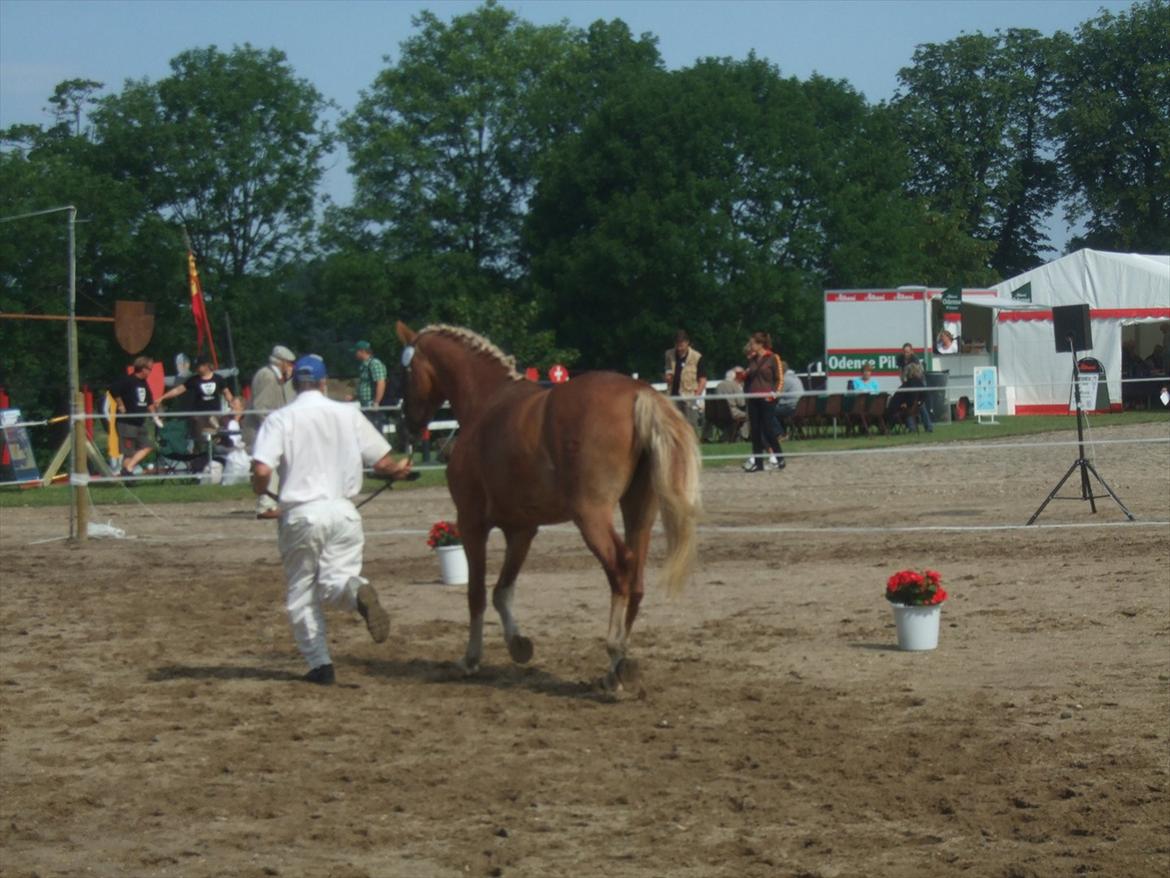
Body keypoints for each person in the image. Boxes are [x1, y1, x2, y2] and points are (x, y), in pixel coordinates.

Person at [251, 354, 414, 685]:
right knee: (337, 581)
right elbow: (383, 462)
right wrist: (398, 470)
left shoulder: (280, 419)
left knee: (303, 591)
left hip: (300, 513)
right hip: (343, 511)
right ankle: (357, 592)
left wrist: (261, 490)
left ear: (293, 383)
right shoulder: (347, 414)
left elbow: (262, 469)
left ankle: (320, 664)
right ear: (324, 383)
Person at [246, 344, 297, 518]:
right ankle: (265, 506)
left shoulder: (277, 377)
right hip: (263, 431)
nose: (292, 367)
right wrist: (275, 429)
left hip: (271, 430)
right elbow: (261, 407)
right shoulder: (267, 376)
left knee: (280, 466)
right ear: (281, 362)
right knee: (269, 466)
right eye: (289, 363)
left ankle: (275, 502)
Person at [157, 355, 235, 451]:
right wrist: (163, 397)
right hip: (200, 415)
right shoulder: (194, 380)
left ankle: (221, 446)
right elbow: (178, 390)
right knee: (201, 436)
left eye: (199, 366)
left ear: (206, 366)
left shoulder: (218, 379)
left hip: (215, 413)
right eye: (196, 366)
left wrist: (232, 402)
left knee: (224, 426)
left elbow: (226, 392)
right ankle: (200, 451)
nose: (197, 369)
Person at [109, 355, 158, 477]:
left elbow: (149, 402)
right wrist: (121, 404)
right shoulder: (128, 380)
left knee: (148, 446)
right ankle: (128, 477)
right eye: (150, 369)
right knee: (128, 453)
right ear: (143, 369)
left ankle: (128, 469)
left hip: (140, 422)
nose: (150, 372)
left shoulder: (144, 384)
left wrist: (155, 417)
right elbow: (113, 389)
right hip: (127, 423)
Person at [742, 331, 784, 472]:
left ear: (760, 344)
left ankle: (780, 457)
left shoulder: (773, 358)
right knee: (755, 430)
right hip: (753, 398)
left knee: (768, 427)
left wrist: (774, 393)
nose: (751, 345)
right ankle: (758, 462)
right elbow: (749, 378)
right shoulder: (752, 360)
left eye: (753, 343)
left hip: (767, 398)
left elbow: (779, 378)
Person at [664, 330, 708, 432]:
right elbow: (667, 371)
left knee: (690, 426)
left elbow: (703, 379)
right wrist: (667, 377)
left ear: (687, 342)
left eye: (681, 342)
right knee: (672, 425)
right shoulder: (668, 354)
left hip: (689, 397)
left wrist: (696, 396)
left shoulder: (697, 357)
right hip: (673, 396)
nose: (679, 345)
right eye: (677, 342)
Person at [702, 368, 748, 443]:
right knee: (749, 415)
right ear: (733, 377)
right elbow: (741, 403)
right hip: (732, 412)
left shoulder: (719, 385)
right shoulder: (734, 385)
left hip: (718, 413)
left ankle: (725, 437)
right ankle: (744, 436)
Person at [886, 361, 934, 433]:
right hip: (913, 405)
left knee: (909, 408)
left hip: (904, 407)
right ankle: (928, 426)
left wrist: (909, 403)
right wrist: (919, 402)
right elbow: (925, 394)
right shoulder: (919, 383)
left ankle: (911, 428)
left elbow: (903, 397)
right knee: (918, 406)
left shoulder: (908, 385)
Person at [352, 340, 389, 431]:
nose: (355, 354)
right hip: (364, 406)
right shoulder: (363, 366)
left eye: (356, 351)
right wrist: (354, 397)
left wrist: (376, 402)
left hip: (371, 405)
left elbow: (380, 383)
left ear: (362, 351)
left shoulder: (374, 364)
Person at [774, 361, 805, 439]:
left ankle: (780, 434)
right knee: (778, 411)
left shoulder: (785, 379)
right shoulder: (796, 378)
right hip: (800, 407)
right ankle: (784, 433)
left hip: (791, 407)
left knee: (770, 412)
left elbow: (777, 394)